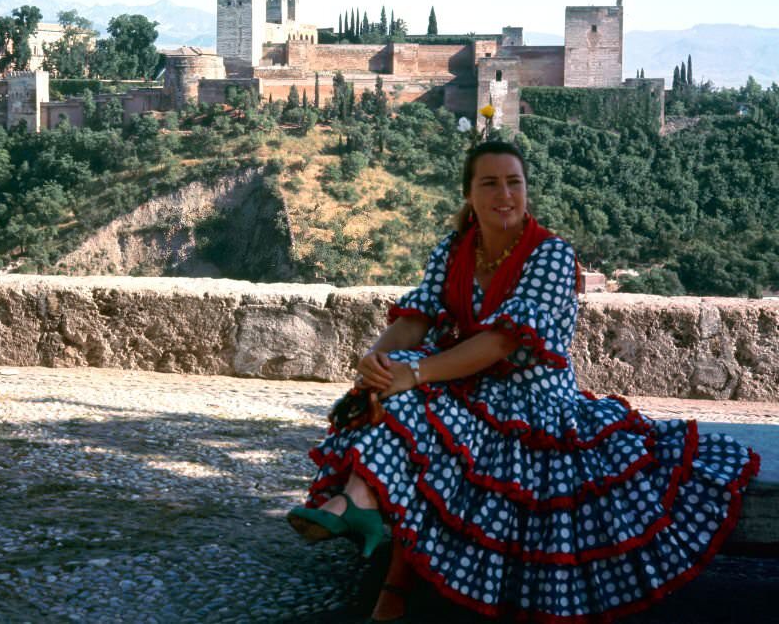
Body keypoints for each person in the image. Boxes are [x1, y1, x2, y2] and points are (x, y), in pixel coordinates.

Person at [288, 140, 760, 622]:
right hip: (466, 383)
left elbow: (500, 341)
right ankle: (371, 534)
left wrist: (416, 372)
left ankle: (373, 541)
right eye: (490, 183)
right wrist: (376, 360)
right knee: (397, 393)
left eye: (514, 182)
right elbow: (416, 318)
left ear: (527, 190)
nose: (504, 194)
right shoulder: (455, 249)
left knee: (417, 407)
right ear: (468, 194)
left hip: (534, 398)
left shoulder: (550, 255)